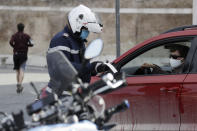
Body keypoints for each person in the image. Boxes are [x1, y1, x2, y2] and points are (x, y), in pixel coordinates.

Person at [41, 5, 107, 97]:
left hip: (72, 94)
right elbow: (62, 69)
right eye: (86, 29)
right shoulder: (62, 40)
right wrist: (90, 67)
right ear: (77, 25)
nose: (87, 33)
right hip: (59, 95)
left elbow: (80, 69)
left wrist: (97, 68)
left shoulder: (78, 42)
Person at [9, 23, 34, 93]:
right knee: (22, 70)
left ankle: (19, 84)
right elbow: (32, 43)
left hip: (16, 54)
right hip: (23, 54)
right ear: (23, 28)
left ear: (17, 28)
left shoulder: (14, 35)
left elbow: (10, 42)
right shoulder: (27, 36)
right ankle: (20, 84)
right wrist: (27, 45)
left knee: (17, 71)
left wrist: (14, 47)